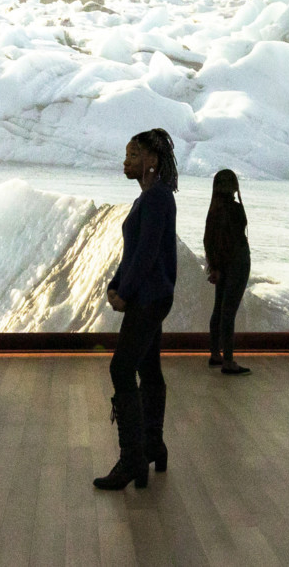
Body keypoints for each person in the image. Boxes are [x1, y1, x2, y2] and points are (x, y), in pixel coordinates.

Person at [94, 127, 179, 491]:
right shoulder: (151, 197)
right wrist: (117, 283)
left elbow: (146, 255)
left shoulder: (157, 198)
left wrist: (124, 292)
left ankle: (132, 458)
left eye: (133, 155)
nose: (126, 161)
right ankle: (152, 445)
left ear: (151, 160)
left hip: (148, 297)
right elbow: (135, 252)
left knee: (121, 368)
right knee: (149, 368)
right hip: (149, 295)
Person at [204, 169, 251, 376]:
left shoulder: (213, 211)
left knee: (219, 309)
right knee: (229, 311)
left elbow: (209, 240)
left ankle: (216, 354)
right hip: (238, 262)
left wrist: (214, 266)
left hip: (221, 263)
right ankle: (229, 361)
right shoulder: (235, 210)